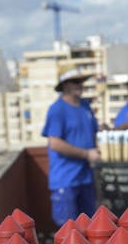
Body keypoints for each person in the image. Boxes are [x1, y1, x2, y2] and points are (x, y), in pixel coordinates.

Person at [42, 65, 101, 226]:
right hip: (66, 180)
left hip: (85, 179)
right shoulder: (57, 109)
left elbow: (94, 133)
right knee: (69, 233)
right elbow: (55, 143)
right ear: (65, 85)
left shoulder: (84, 106)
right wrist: (86, 154)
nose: (79, 85)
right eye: (75, 81)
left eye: (80, 81)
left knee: (89, 229)